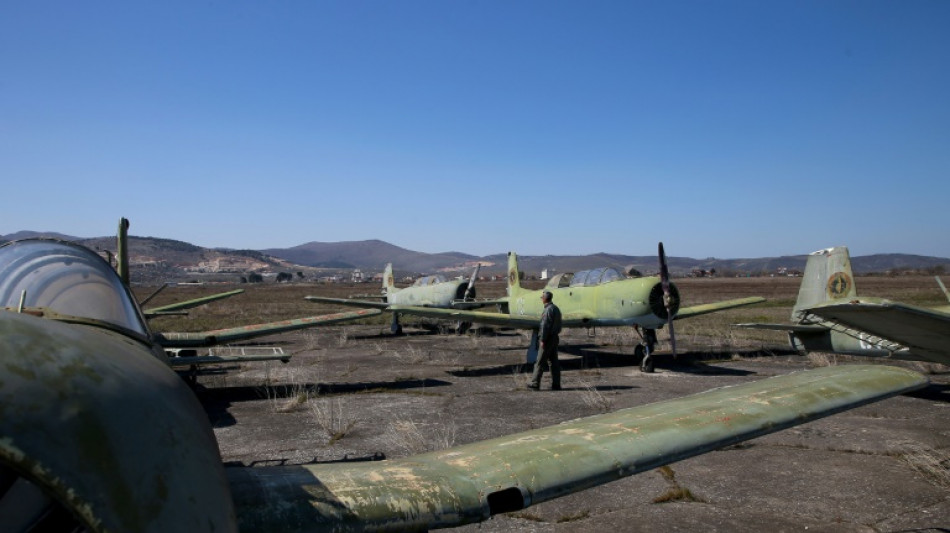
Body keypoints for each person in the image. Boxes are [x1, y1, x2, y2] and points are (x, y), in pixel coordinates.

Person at [528, 290, 562, 390]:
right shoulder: (556, 308)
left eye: (542, 297)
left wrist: (542, 340)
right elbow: (559, 325)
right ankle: (556, 384)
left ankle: (534, 383)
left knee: (539, 362)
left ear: (544, 299)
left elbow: (544, 326)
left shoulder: (547, 310)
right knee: (554, 362)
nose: (541, 299)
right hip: (555, 337)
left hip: (547, 339)